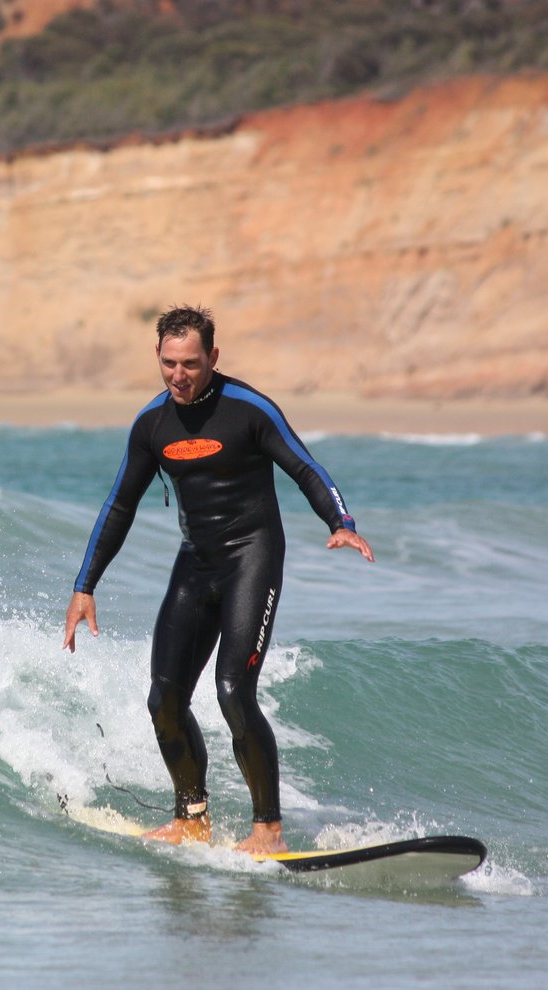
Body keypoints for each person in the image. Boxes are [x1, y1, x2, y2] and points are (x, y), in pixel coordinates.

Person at [62, 306, 373, 854]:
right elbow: (119, 506)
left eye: (191, 363)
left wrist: (340, 522)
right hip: (196, 561)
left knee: (233, 691)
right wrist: (85, 586)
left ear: (213, 358)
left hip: (253, 558)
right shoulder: (151, 425)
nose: (178, 376)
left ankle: (267, 830)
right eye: (168, 363)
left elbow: (305, 466)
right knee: (164, 699)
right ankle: (192, 818)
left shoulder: (249, 409)